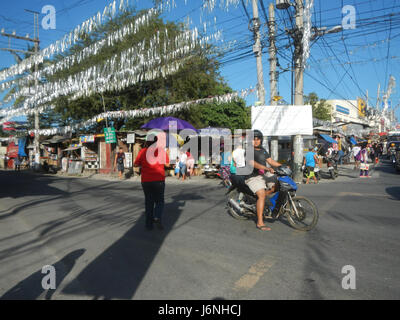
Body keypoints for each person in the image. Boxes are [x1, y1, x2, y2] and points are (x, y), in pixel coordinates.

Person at [245, 130, 282, 232]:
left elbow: (271, 161)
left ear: (260, 140)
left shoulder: (263, 150)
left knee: (279, 185)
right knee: (261, 194)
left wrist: (282, 166)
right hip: (251, 176)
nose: (256, 141)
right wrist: (266, 168)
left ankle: (262, 199)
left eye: (258, 139)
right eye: (254, 139)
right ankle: (260, 222)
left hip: (263, 175)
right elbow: (253, 163)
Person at [134, 132, 169, 230]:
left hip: (146, 180)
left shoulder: (142, 151)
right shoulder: (161, 151)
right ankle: (157, 216)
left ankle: (149, 225)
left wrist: (143, 164)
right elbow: (167, 165)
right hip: (159, 180)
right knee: (159, 201)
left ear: (147, 141)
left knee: (149, 202)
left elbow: (135, 164)